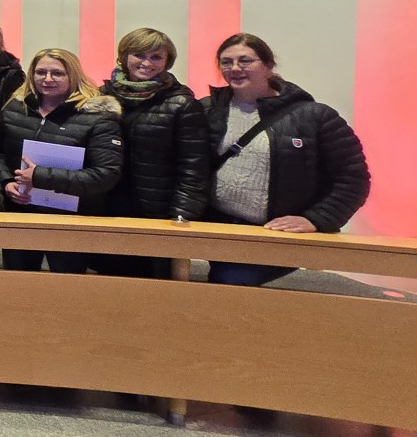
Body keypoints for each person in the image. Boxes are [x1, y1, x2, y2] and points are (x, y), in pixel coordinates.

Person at [203, 33, 371, 287]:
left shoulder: (315, 117)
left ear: (268, 65)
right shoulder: (206, 110)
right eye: (227, 62)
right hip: (213, 226)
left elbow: (353, 179)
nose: (235, 68)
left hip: (272, 234)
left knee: (229, 282)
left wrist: (316, 219)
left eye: (245, 60)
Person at [0, 49, 124, 273]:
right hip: (21, 213)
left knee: (67, 286)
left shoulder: (98, 117)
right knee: (17, 283)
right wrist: (6, 182)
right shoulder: (15, 108)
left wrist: (39, 176)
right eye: (41, 72)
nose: (47, 79)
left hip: (71, 221)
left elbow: (105, 174)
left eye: (57, 73)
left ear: (73, 75)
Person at [97, 27, 211, 278]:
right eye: (139, 55)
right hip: (108, 205)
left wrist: (182, 216)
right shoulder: (101, 97)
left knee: (153, 284)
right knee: (106, 278)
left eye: (156, 57)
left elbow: (193, 167)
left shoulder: (182, 103)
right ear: (124, 57)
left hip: (158, 211)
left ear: (167, 62)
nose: (147, 63)